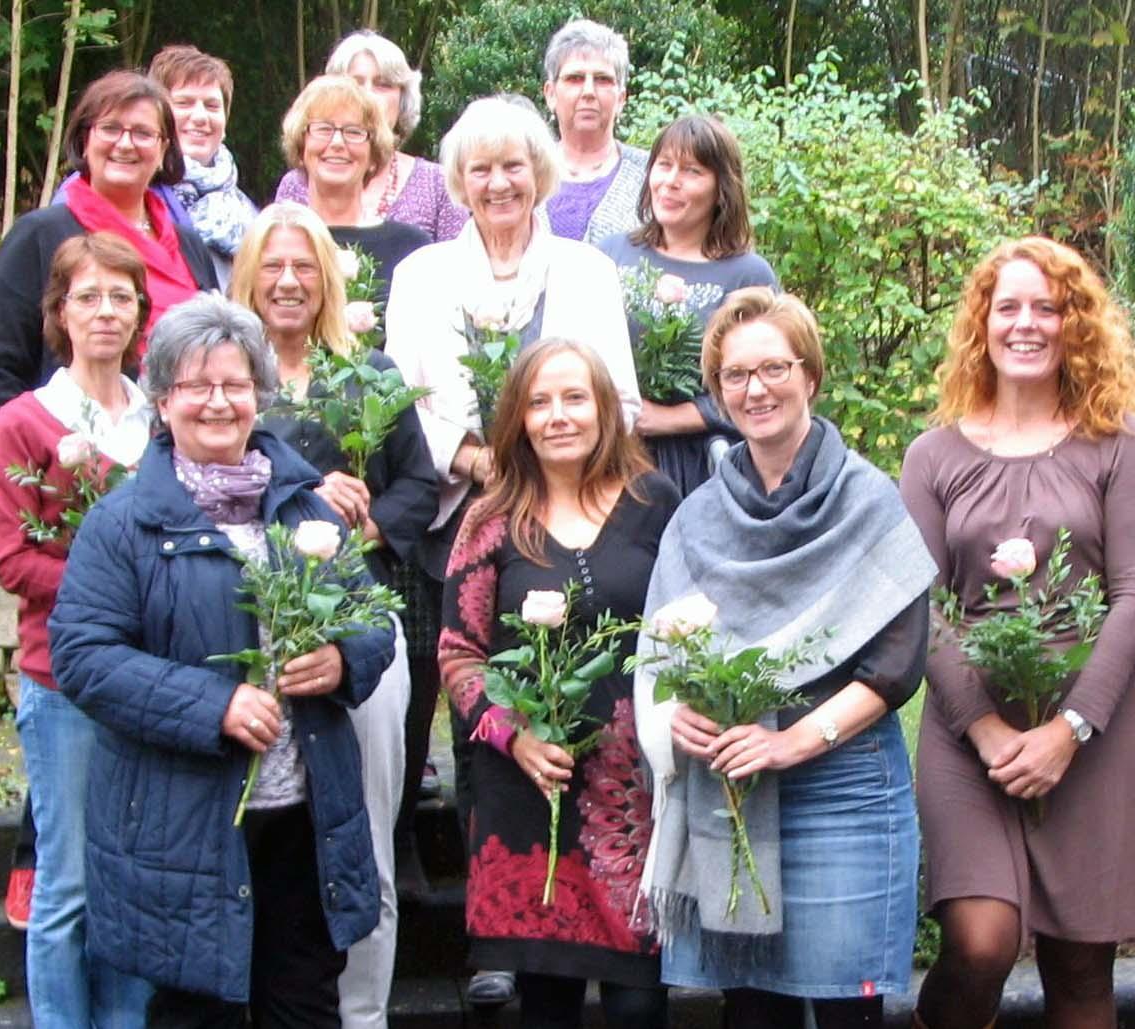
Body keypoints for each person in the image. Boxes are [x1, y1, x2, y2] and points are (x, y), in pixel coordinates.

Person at [47, 294, 392, 1024]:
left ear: (258, 395)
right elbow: (82, 656)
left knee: (302, 1006)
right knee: (196, 1012)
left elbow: (375, 620)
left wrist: (341, 658)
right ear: (164, 401)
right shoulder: (125, 523)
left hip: (304, 818)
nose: (217, 402)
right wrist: (214, 705)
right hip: (184, 829)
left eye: (235, 385)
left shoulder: (306, 511)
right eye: (196, 386)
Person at [634, 287, 934, 1029]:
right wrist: (680, 719)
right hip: (733, 794)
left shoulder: (867, 498)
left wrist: (791, 741)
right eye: (735, 375)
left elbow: (897, 664)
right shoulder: (698, 514)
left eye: (773, 367)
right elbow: (660, 652)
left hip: (844, 788)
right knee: (751, 1013)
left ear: (809, 375)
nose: (755, 388)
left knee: (845, 1015)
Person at [900, 237, 1135, 1029]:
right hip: (966, 731)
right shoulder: (932, 455)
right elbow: (922, 604)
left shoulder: (1122, 443)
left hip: (1091, 726)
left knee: (1082, 964)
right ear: (981, 323)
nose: (1025, 324)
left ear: (1072, 324)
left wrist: (1070, 727)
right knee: (982, 942)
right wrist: (984, 729)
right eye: (1006, 307)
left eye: (1045, 308)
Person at [387, 95, 641, 894]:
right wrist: (473, 458)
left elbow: (622, 402)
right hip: (459, 513)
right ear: (458, 181)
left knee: (580, 701)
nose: (499, 182)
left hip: (572, 517)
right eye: (480, 168)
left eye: (514, 165)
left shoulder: (587, 271)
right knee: (477, 707)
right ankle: (492, 914)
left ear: (542, 171)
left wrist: (553, 466)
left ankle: (590, 887)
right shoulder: (422, 274)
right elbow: (402, 398)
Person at [230, 203, 441, 1029]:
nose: (287, 281)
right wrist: (306, 498)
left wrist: (362, 523)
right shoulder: (225, 374)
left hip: (360, 635)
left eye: (304, 266)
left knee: (366, 832)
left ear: (328, 278)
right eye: (271, 266)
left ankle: (362, 1013)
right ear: (248, 275)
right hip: (249, 637)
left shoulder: (369, 374)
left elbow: (420, 486)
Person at [438, 339, 680, 1028]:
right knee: (546, 1004)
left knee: (639, 1002)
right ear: (516, 418)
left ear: (605, 407)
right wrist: (514, 737)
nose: (558, 415)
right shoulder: (489, 518)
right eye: (539, 402)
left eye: (574, 397)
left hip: (633, 797)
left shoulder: (654, 501)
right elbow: (459, 654)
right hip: (527, 792)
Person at [0, 232, 157, 1028]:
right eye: (87, 296)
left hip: (152, 678)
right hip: (63, 680)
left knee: (135, 879)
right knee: (69, 882)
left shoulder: (160, 419)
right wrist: (109, 591)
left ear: (139, 312)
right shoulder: (26, 422)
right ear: (59, 312)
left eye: (120, 296)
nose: (105, 312)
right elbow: (15, 559)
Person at [0, 69, 219, 423]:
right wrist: (40, 455)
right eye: (111, 128)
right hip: (74, 458)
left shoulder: (188, 244)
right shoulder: (39, 237)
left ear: (164, 147)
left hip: (186, 452)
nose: (125, 143)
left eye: (143, 133)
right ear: (84, 140)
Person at [597, 114, 778, 496]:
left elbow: (768, 379)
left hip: (706, 467)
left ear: (720, 188)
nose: (671, 181)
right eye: (664, 165)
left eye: (692, 171)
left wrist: (671, 418)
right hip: (610, 459)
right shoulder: (609, 255)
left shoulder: (747, 274)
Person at [277, 29, 467, 242]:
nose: (368, 95)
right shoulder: (297, 183)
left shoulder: (438, 184)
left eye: (383, 84)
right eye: (355, 83)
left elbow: (457, 267)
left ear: (403, 99)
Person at [280, 75, 432, 295]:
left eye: (354, 132)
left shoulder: (411, 247)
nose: (337, 143)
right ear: (301, 146)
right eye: (323, 129)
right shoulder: (273, 242)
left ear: (373, 156)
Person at [149, 44, 259, 284]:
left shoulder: (246, 211)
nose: (200, 117)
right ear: (156, 115)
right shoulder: (138, 198)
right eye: (184, 103)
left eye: (211, 106)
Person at [539, 19, 646, 244]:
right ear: (550, 94)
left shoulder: (650, 175)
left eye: (602, 80)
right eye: (575, 79)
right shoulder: (523, 173)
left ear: (621, 99)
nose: (588, 91)